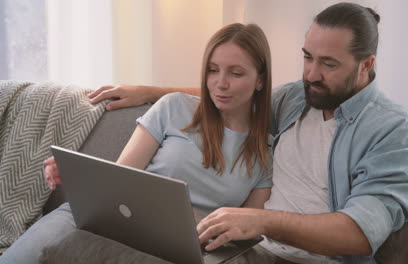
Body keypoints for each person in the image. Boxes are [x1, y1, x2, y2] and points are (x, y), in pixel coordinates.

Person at [84, 3, 408, 264]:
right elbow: (231, 92)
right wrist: (149, 92)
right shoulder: (297, 99)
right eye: (307, 58)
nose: (311, 74)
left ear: (366, 64)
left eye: (328, 64)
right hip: (249, 252)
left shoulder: (399, 135)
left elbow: (360, 233)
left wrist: (260, 220)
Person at [0, 23, 274, 264]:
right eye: (213, 70)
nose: (220, 83)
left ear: (260, 80)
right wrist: (78, 176)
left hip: (178, 246)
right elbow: (120, 177)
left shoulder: (266, 151)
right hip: (114, 219)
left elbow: (246, 229)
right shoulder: (174, 107)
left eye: (236, 74)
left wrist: (197, 224)